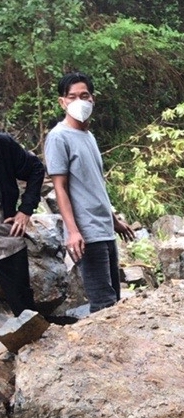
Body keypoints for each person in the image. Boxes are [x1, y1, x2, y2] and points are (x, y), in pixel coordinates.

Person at [44, 71, 134, 313]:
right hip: (86, 234)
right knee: (104, 305)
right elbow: (60, 188)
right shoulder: (58, 137)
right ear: (62, 102)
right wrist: (73, 231)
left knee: (113, 299)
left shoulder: (88, 135)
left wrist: (114, 221)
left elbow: (94, 185)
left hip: (104, 229)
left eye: (84, 95)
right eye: (72, 97)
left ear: (92, 99)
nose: (78, 101)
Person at [0, 133, 44, 317]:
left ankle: (33, 342)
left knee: (24, 309)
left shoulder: (3, 144)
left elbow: (35, 168)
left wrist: (25, 209)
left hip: (6, 236)